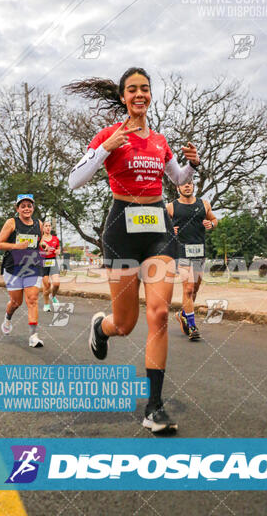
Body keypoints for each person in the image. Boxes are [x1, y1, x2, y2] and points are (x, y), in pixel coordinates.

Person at [66, 67, 200, 433]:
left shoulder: (159, 141)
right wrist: (102, 152)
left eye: (145, 89)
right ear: (123, 97)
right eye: (132, 90)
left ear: (150, 95)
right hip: (121, 228)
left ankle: (153, 407)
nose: (139, 94)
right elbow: (74, 179)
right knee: (126, 323)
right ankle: (102, 327)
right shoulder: (109, 135)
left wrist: (191, 164)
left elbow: (178, 179)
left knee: (158, 314)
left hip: (158, 229)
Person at [166, 181, 217, 340]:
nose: (187, 186)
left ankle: (183, 314)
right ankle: (192, 326)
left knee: (194, 289)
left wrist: (211, 224)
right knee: (187, 289)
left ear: (193, 186)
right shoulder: (171, 207)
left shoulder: (204, 204)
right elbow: (161, 227)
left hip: (199, 252)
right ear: (178, 188)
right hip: (181, 251)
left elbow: (214, 219)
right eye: (183, 184)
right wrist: (169, 230)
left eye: (189, 183)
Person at [0, 194, 44, 348]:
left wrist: (43, 246)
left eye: (29, 205)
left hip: (32, 266)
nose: (26, 208)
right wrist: (17, 246)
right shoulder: (12, 223)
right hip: (13, 267)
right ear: (17, 209)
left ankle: (33, 336)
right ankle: (8, 318)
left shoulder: (39, 223)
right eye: (22, 206)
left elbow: (40, 241)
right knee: (16, 302)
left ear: (33, 208)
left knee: (32, 299)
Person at [40, 220, 61, 312]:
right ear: (43, 228)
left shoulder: (55, 238)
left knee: (56, 283)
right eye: (46, 226)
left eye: (49, 226)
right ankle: (46, 305)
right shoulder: (40, 239)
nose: (48, 227)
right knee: (47, 285)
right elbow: (35, 252)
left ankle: (53, 296)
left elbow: (58, 248)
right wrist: (44, 252)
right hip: (43, 262)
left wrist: (58, 251)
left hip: (52, 261)